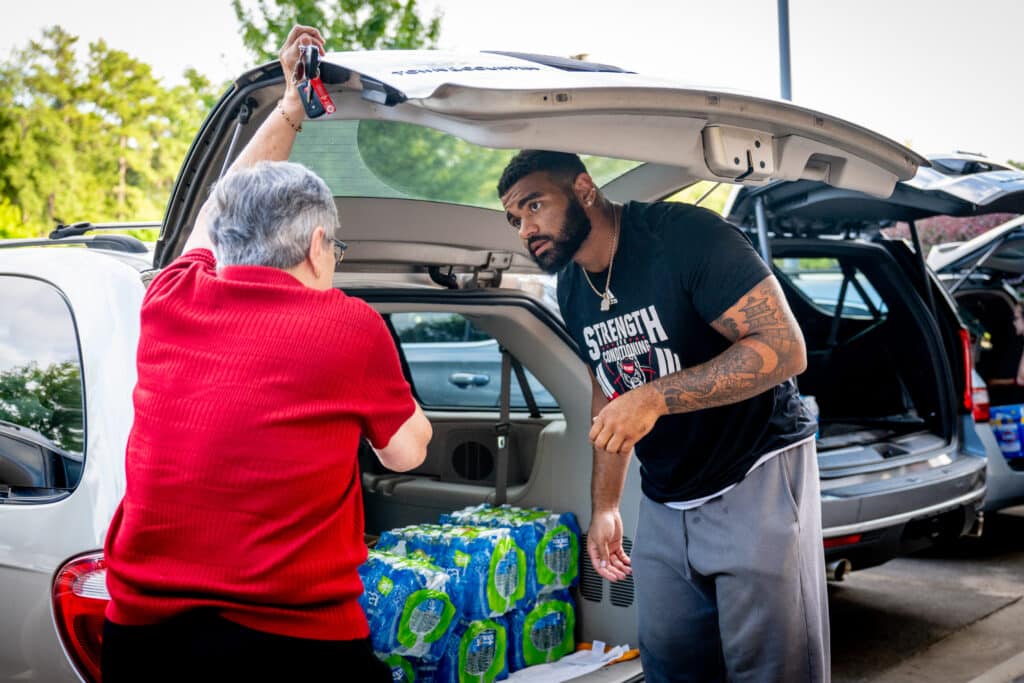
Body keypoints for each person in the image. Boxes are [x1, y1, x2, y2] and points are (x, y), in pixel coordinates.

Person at [101, 26, 432, 683]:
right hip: (290, 643)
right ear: (317, 246)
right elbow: (406, 452)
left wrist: (288, 107)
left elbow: (212, 212)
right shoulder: (347, 324)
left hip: (142, 640)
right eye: (335, 252)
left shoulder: (170, 295)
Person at [498, 151, 829, 682]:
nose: (525, 228)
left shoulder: (685, 236)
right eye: (515, 218)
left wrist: (653, 397)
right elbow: (607, 394)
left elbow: (785, 348)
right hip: (666, 493)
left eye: (534, 205)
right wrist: (605, 505)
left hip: (754, 471)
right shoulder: (571, 285)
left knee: (771, 667)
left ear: (584, 188)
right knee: (670, 660)